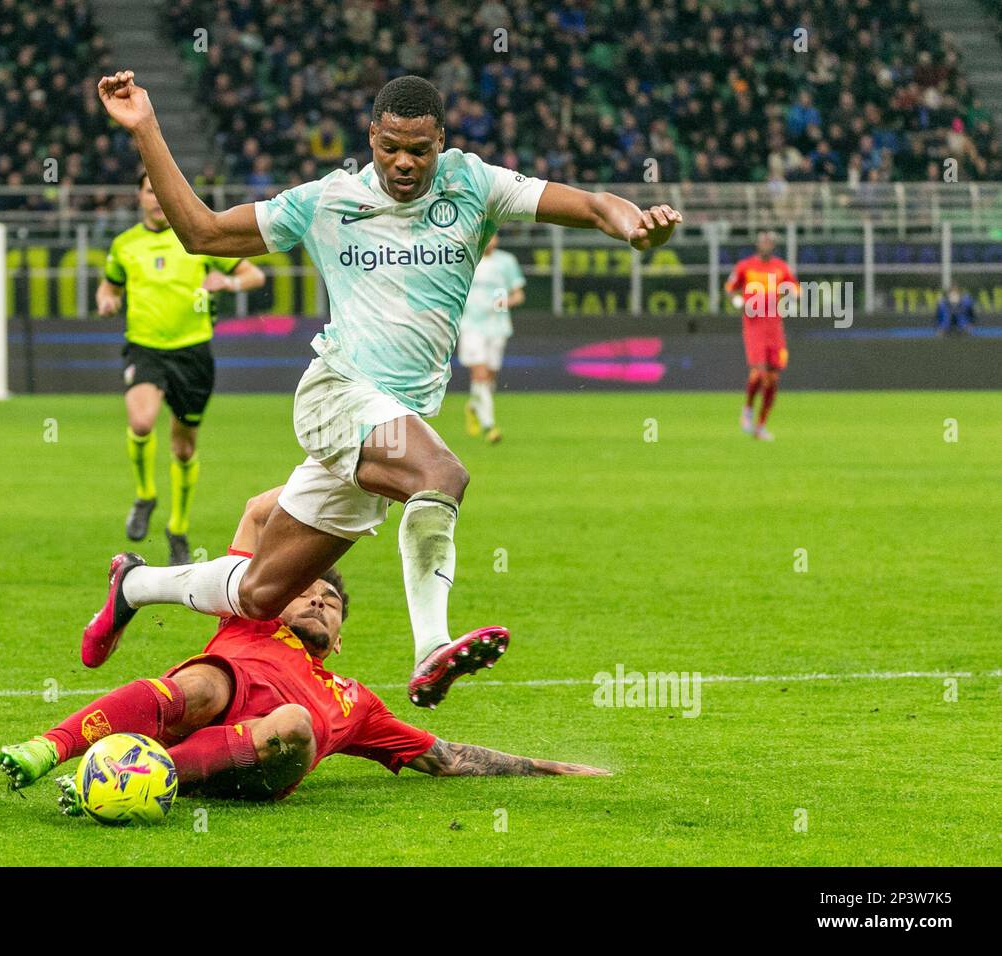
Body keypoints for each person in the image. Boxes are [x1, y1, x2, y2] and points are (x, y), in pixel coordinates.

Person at [89, 71, 681, 707]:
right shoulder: (327, 201)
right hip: (338, 394)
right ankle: (431, 650)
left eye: (420, 150)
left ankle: (135, 585)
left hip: (391, 421)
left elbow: (592, 205)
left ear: (441, 142)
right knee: (442, 475)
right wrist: (146, 128)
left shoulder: (474, 183)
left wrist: (635, 226)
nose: (404, 162)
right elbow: (203, 234)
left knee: (263, 592)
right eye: (390, 147)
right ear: (371, 136)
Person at [0, 488, 609, 804]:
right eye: (306, 591)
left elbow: (442, 756)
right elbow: (260, 513)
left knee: (292, 720)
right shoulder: (250, 615)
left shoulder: (356, 702)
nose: (317, 600)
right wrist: (339, 472)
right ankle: (52, 748)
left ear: (340, 639)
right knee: (207, 681)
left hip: (262, 767)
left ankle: (141, 778)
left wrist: (544, 766)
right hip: (198, 717)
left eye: (331, 601)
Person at [97, 163, 266, 565]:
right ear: (140, 197)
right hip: (145, 350)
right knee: (140, 423)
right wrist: (106, 298)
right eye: (149, 192)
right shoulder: (125, 245)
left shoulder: (197, 240)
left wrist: (230, 282)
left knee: (183, 447)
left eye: (162, 191)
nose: (156, 199)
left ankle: (177, 527)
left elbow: (254, 275)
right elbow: (110, 283)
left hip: (193, 354)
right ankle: (144, 496)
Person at [725, 231, 796, 442]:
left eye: (769, 242)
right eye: (763, 241)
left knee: (773, 378)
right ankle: (747, 408)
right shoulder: (745, 266)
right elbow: (730, 288)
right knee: (760, 370)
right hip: (754, 324)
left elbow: (794, 287)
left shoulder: (780, 267)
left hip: (774, 325)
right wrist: (737, 301)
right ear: (757, 244)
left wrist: (792, 296)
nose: (766, 244)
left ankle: (760, 426)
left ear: (773, 245)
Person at [459, 234, 525, 443]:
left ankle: (474, 406)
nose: (491, 241)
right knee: (479, 374)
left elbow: (518, 294)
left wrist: (503, 303)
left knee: (490, 377)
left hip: (497, 326)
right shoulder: (466, 257)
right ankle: (489, 426)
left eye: (494, 237)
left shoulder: (506, 261)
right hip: (471, 326)